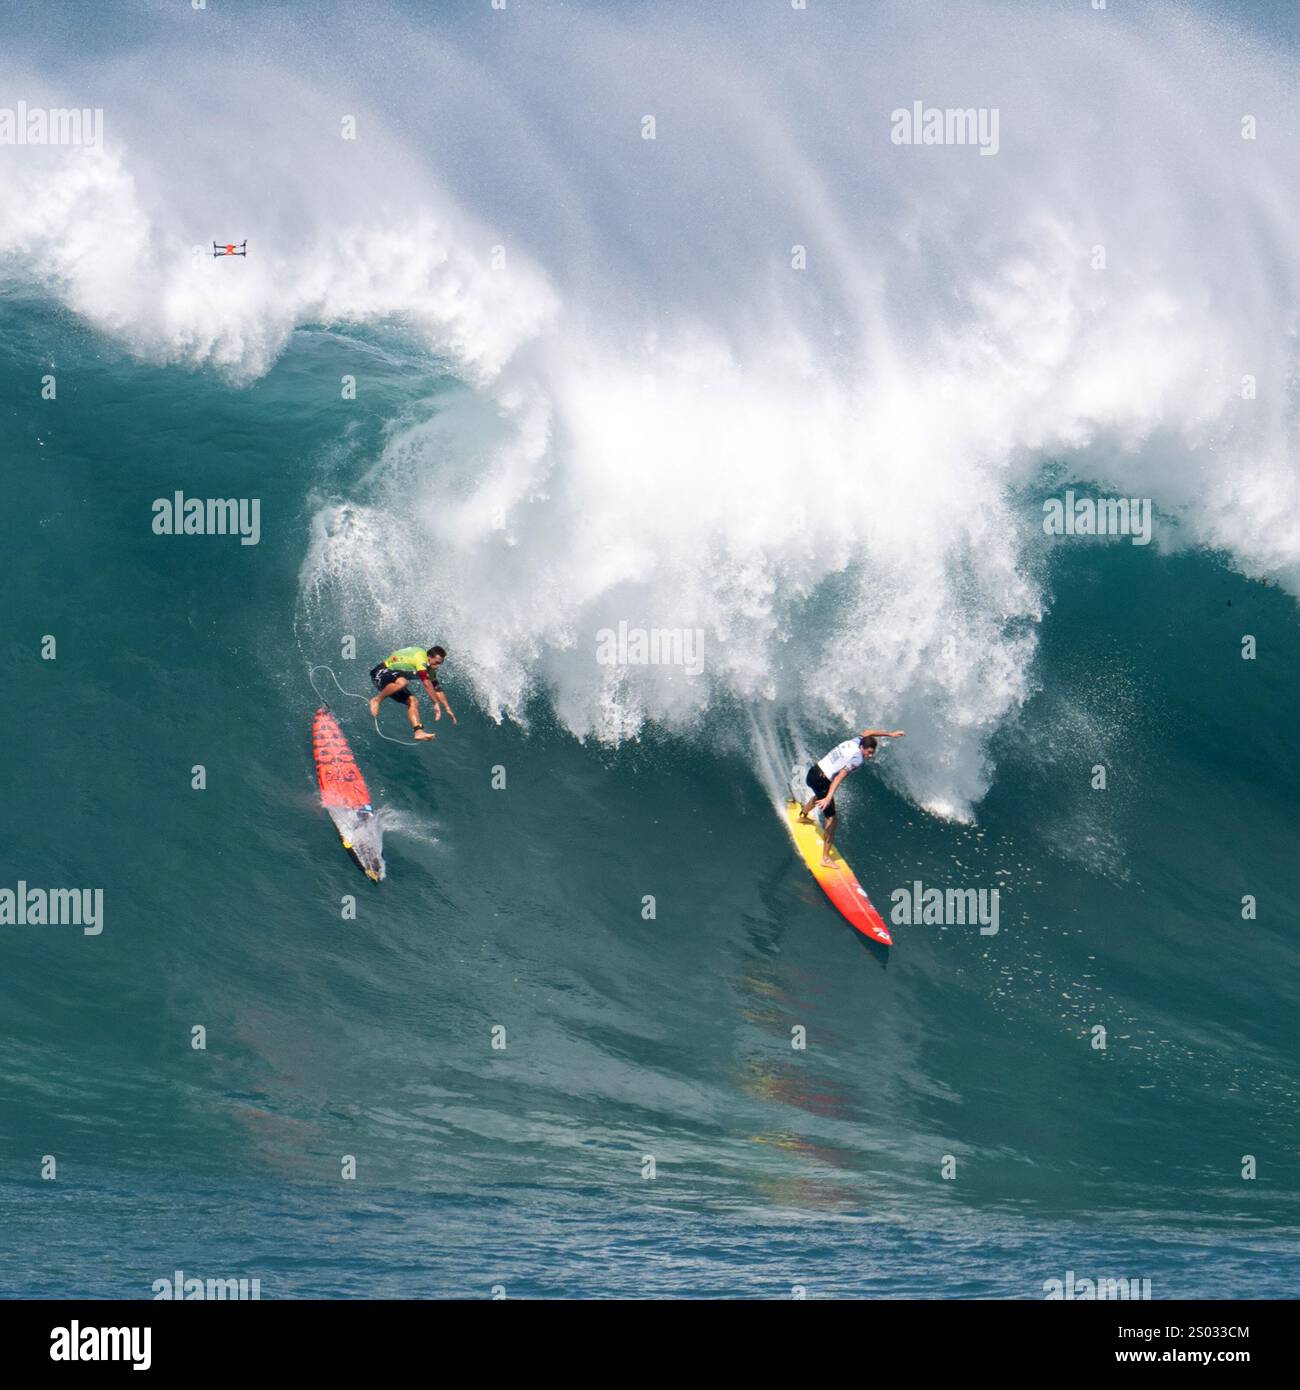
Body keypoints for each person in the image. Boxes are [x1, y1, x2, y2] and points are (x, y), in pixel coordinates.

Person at [799, 728, 905, 867]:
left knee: (819, 795)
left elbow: (869, 732)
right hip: (822, 780)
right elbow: (839, 776)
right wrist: (829, 797)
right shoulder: (857, 759)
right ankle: (825, 859)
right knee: (832, 820)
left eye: (872, 753)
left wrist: (890, 734)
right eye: (868, 752)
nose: (870, 756)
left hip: (813, 772)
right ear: (862, 748)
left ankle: (803, 815)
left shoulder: (855, 741)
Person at [368, 645, 456, 742]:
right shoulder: (420, 659)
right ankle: (377, 700)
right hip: (380, 671)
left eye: (440, 664)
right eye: (436, 662)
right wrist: (435, 703)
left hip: (393, 680)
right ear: (429, 657)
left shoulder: (429, 668)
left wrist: (447, 708)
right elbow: (426, 683)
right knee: (403, 682)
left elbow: (436, 688)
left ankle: (418, 731)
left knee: (413, 701)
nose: (438, 666)